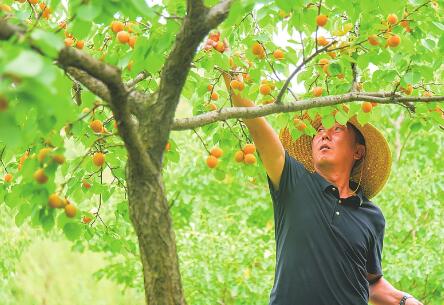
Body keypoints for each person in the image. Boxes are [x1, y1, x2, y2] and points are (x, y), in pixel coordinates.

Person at [223, 73, 423, 305]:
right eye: (318, 131)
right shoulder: (293, 181)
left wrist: (405, 300)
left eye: (336, 129)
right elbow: (256, 123)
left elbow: (370, 283)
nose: (324, 134)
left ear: (358, 151)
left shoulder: (372, 216)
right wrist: (230, 73)